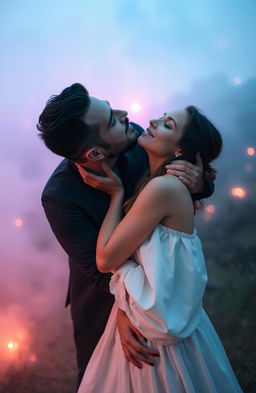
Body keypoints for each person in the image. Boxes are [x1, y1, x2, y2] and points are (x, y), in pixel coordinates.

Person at [37, 83, 213, 391]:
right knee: (100, 376)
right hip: (100, 292)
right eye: (111, 120)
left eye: (111, 107)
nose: (126, 115)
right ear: (95, 153)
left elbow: (179, 176)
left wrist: (199, 183)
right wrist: (123, 308)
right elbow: (97, 267)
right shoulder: (59, 197)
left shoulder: (134, 139)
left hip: (158, 283)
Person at [76, 106, 243, 393]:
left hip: (157, 328)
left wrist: (116, 195)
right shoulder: (157, 179)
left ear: (180, 151)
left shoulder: (163, 188)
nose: (151, 122)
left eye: (167, 124)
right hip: (157, 314)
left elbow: (105, 259)